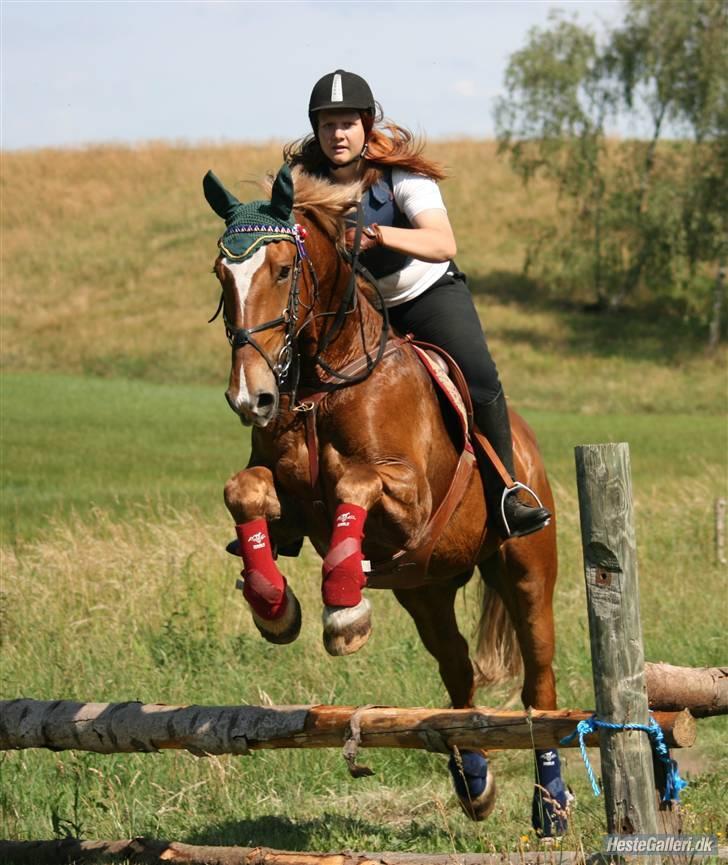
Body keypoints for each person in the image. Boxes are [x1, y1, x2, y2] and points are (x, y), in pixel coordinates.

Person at [284, 69, 550, 539]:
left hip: (424, 295)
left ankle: (507, 491)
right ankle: (284, 506)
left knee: (479, 374)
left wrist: (378, 234)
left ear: (367, 125)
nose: (337, 134)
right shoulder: (301, 181)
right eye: (327, 124)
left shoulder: (401, 176)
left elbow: (443, 242)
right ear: (315, 129)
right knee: (284, 378)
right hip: (355, 311)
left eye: (346, 123)